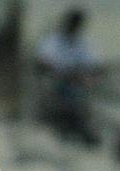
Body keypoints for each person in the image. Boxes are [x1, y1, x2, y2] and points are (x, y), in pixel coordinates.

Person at [35, 8, 102, 144]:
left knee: (86, 91)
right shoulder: (53, 41)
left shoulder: (81, 43)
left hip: (77, 82)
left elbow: (91, 64)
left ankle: (82, 127)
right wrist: (65, 74)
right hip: (56, 81)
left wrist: (87, 76)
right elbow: (44, 62)